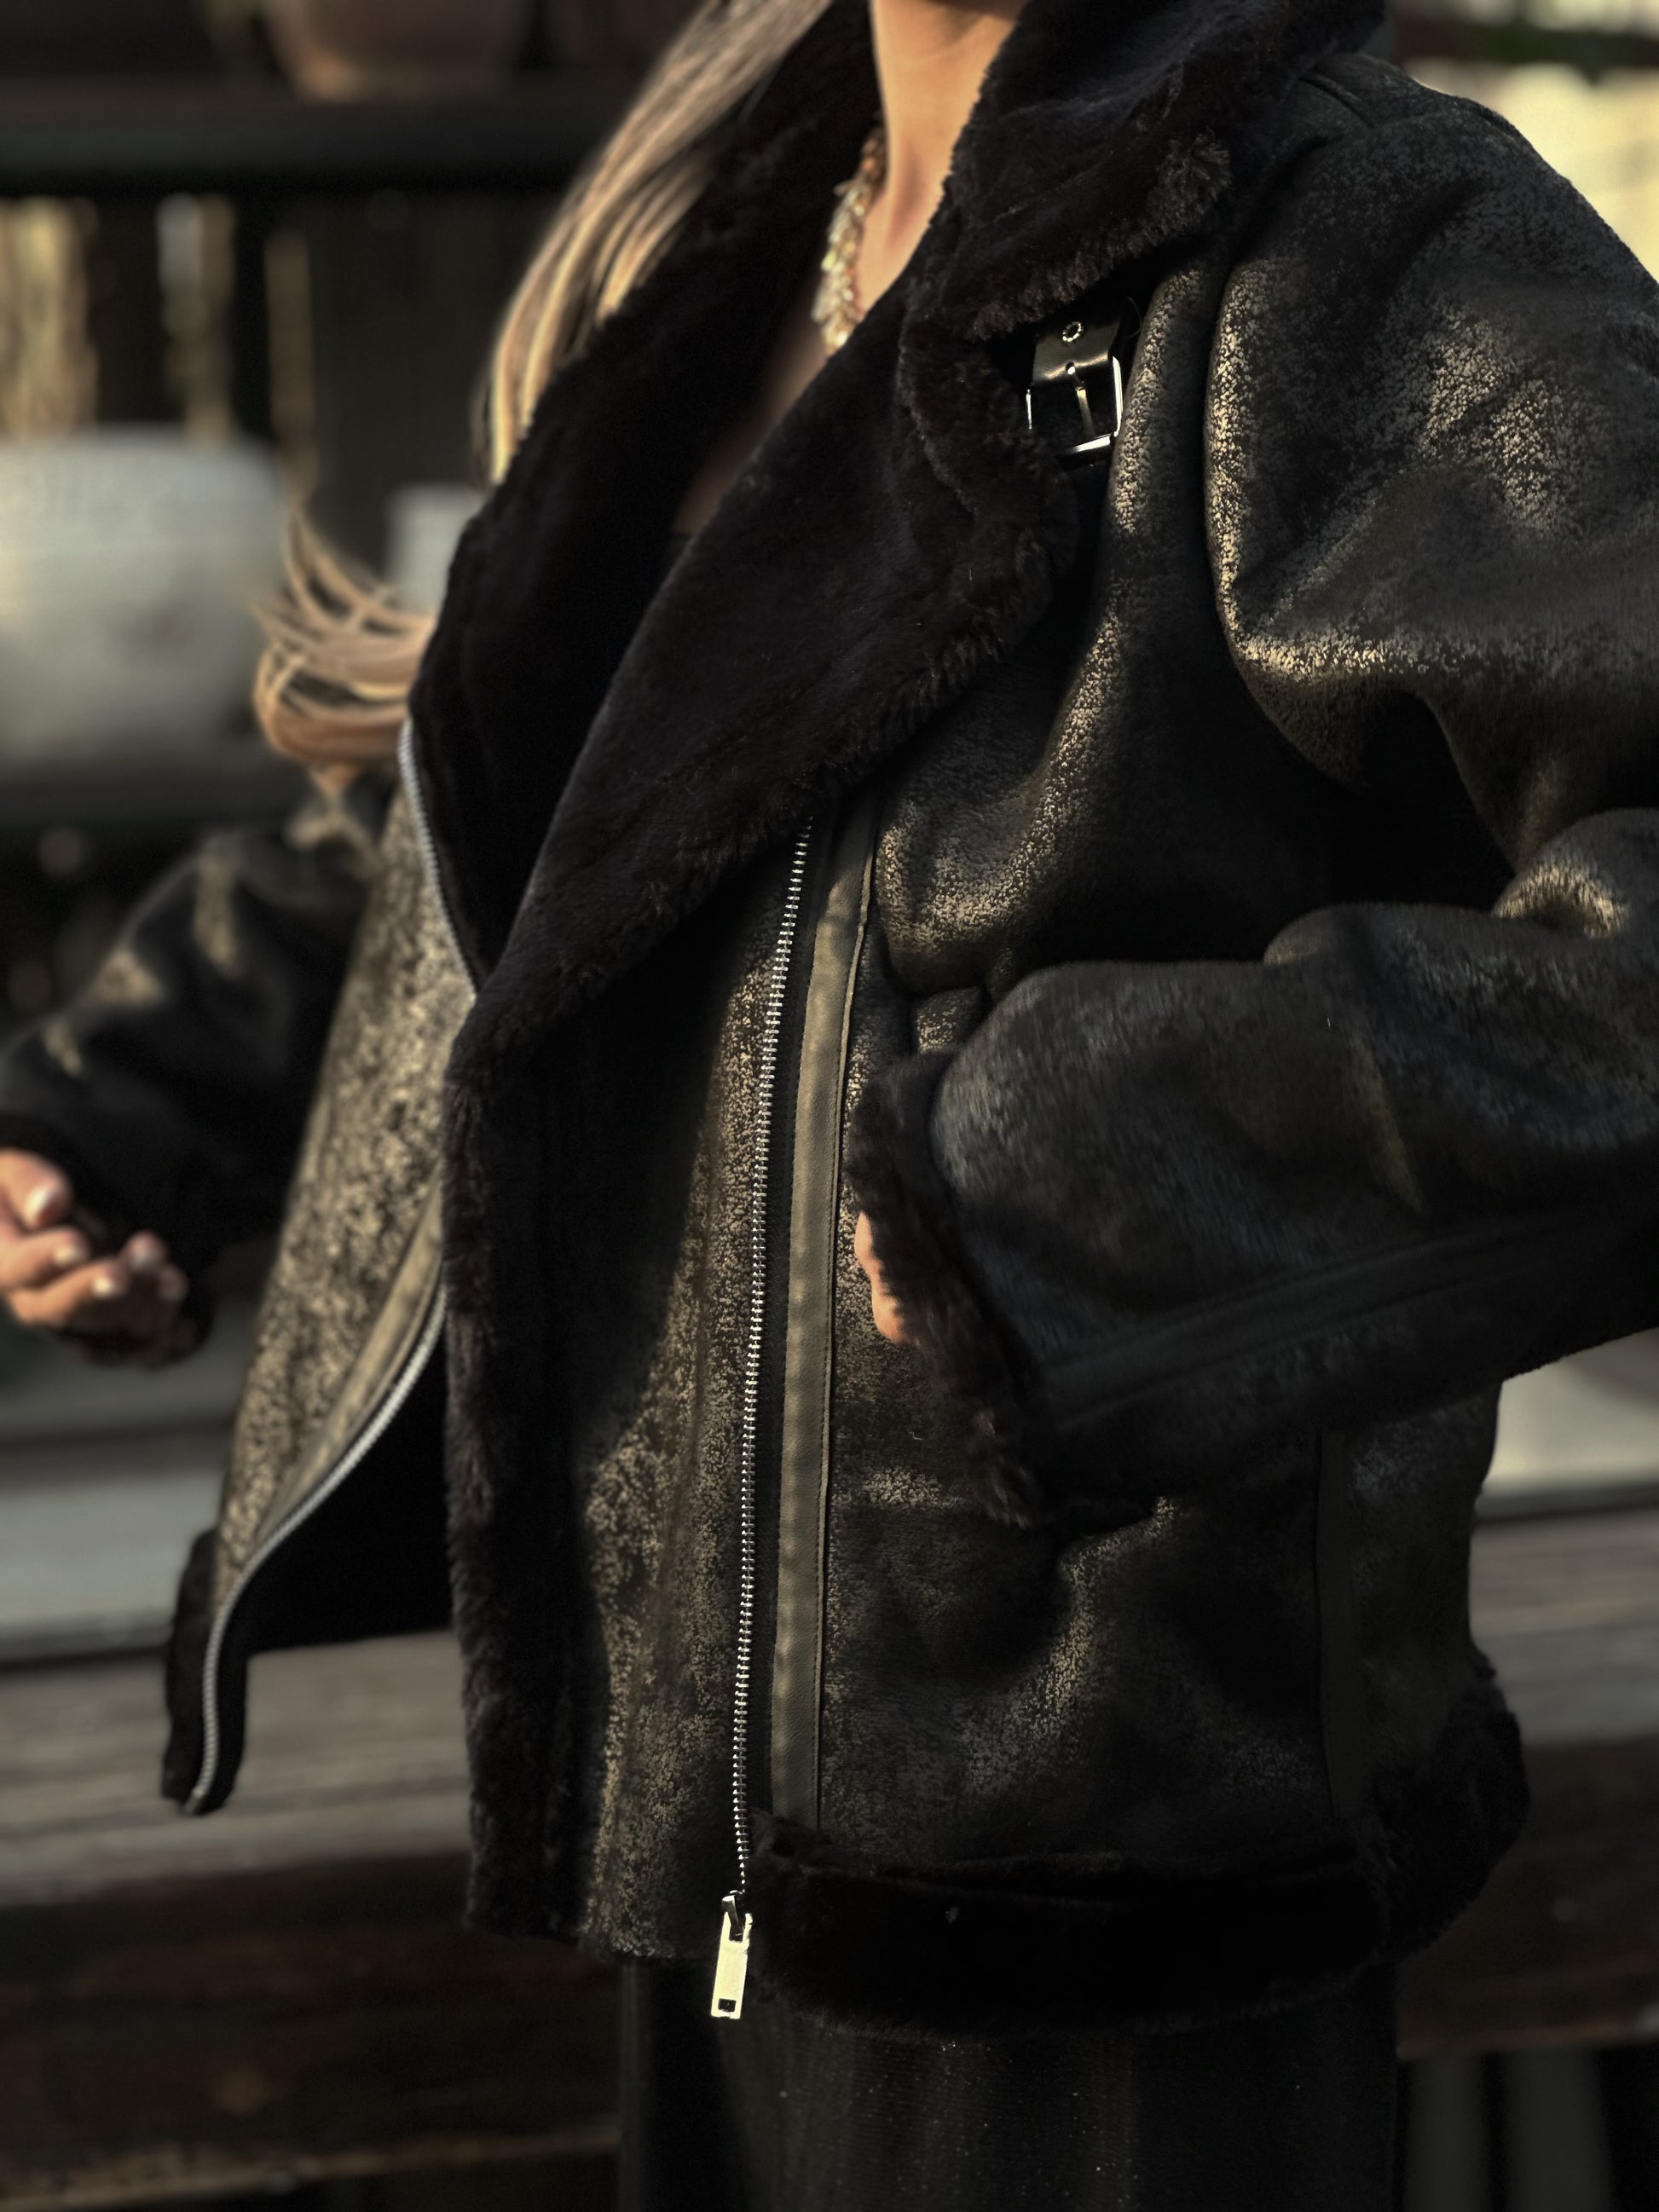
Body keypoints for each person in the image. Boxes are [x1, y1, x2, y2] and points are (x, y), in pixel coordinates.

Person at [4, 0, 1659, 2197]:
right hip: (692, 1834)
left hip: (1093, 1908)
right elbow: (541, 825)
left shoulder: (1363, 237)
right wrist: (133, 1099)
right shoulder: (730, 238)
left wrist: (1063, 1192)